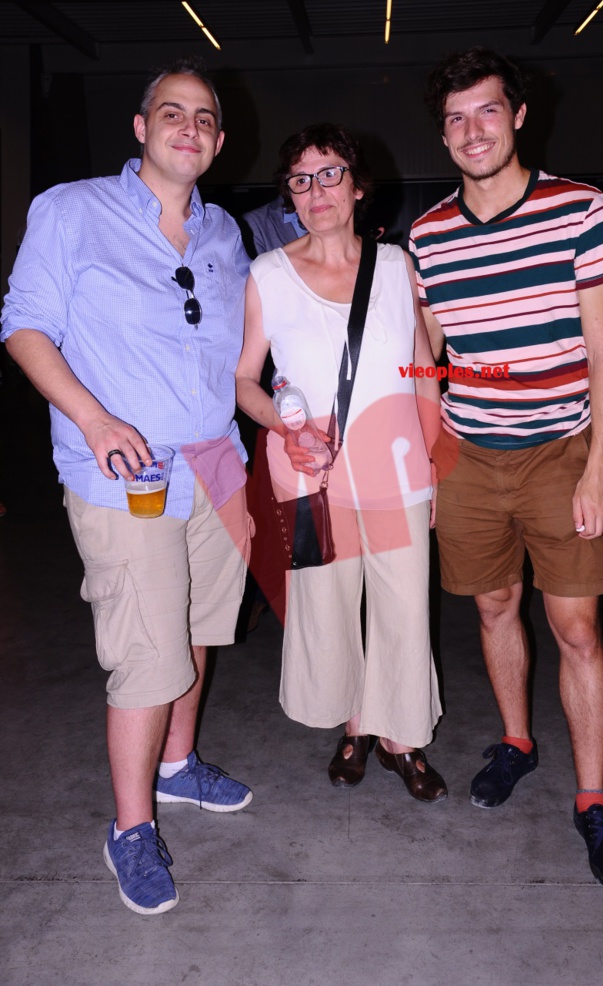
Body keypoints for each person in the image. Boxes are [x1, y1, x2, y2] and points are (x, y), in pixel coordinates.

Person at [1, 57, 253, 915]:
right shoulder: (72, 210)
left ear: (218, 142)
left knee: (198, 627)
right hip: (126, 470)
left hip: (218, 463)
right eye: (172, 112)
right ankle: (130, 828)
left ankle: (179, 767)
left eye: (206, 118)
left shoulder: (225, 235)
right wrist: (95, 418)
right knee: (148, 652)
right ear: (140, 129)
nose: (190, 127)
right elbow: (24, 326)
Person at [410, 47, 603, 889]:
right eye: (456, 119)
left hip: (559, 452)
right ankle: (516, 743)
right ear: (443, 132)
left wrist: (599, 467)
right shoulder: (428, 234)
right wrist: (430, 450)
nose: (473, 131)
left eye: (487, 111)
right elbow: (428, 353)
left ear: (518, 116)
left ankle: (592, 799)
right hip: (468, 455)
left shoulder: (580, 209)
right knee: (494, 606)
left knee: (576, 628)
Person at [236, 123, 446, 802]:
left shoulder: (395, 267)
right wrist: (280, 426)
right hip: (311, 474)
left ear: (358, 188)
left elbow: (422, 368)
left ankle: (400, 737)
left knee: (403, 607)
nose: (316, 190)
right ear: (288, 197)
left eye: (330, 175)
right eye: (301, 179)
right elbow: (244, 380)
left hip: (396, 466)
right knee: (328, 607)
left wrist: (434, 461)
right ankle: (355, 724)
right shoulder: (266, 274)